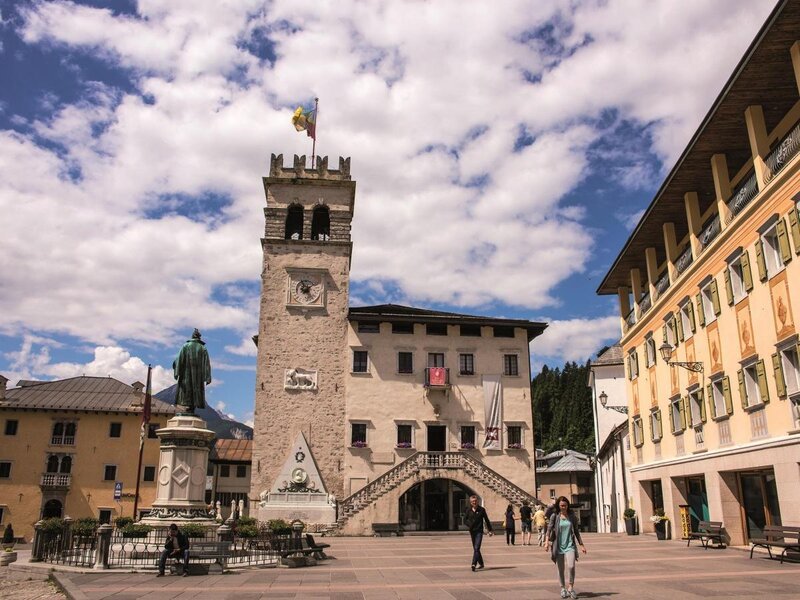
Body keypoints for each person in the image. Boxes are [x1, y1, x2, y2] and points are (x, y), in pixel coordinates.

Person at [544, 496, 587, 599]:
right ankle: (563, 588)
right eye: (561, 506)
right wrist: (546, 542)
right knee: (561, 569)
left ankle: (571, 588)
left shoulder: (572, 517)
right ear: (558, 506)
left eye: (565, 505)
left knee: (571, 566)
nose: (563, 507)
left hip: (570, 545)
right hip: (558, 546)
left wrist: (582, 545)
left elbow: (576, 531)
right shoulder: (555, 516)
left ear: (568, 506)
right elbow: (549, 530)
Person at [464, 494, 493, 571]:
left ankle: (473, 564)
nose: (474, 502)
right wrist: (470, 525)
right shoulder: (468, 510)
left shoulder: (482, 510)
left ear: (478, 501)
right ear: (470, 502)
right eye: (473, 501)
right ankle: (481, 563)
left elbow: (486, 520)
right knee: (476, 548)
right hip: (472, 531)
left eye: (475, 501)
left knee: (477, 547)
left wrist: (490, 530)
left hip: (479, 531)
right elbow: (465, 520)